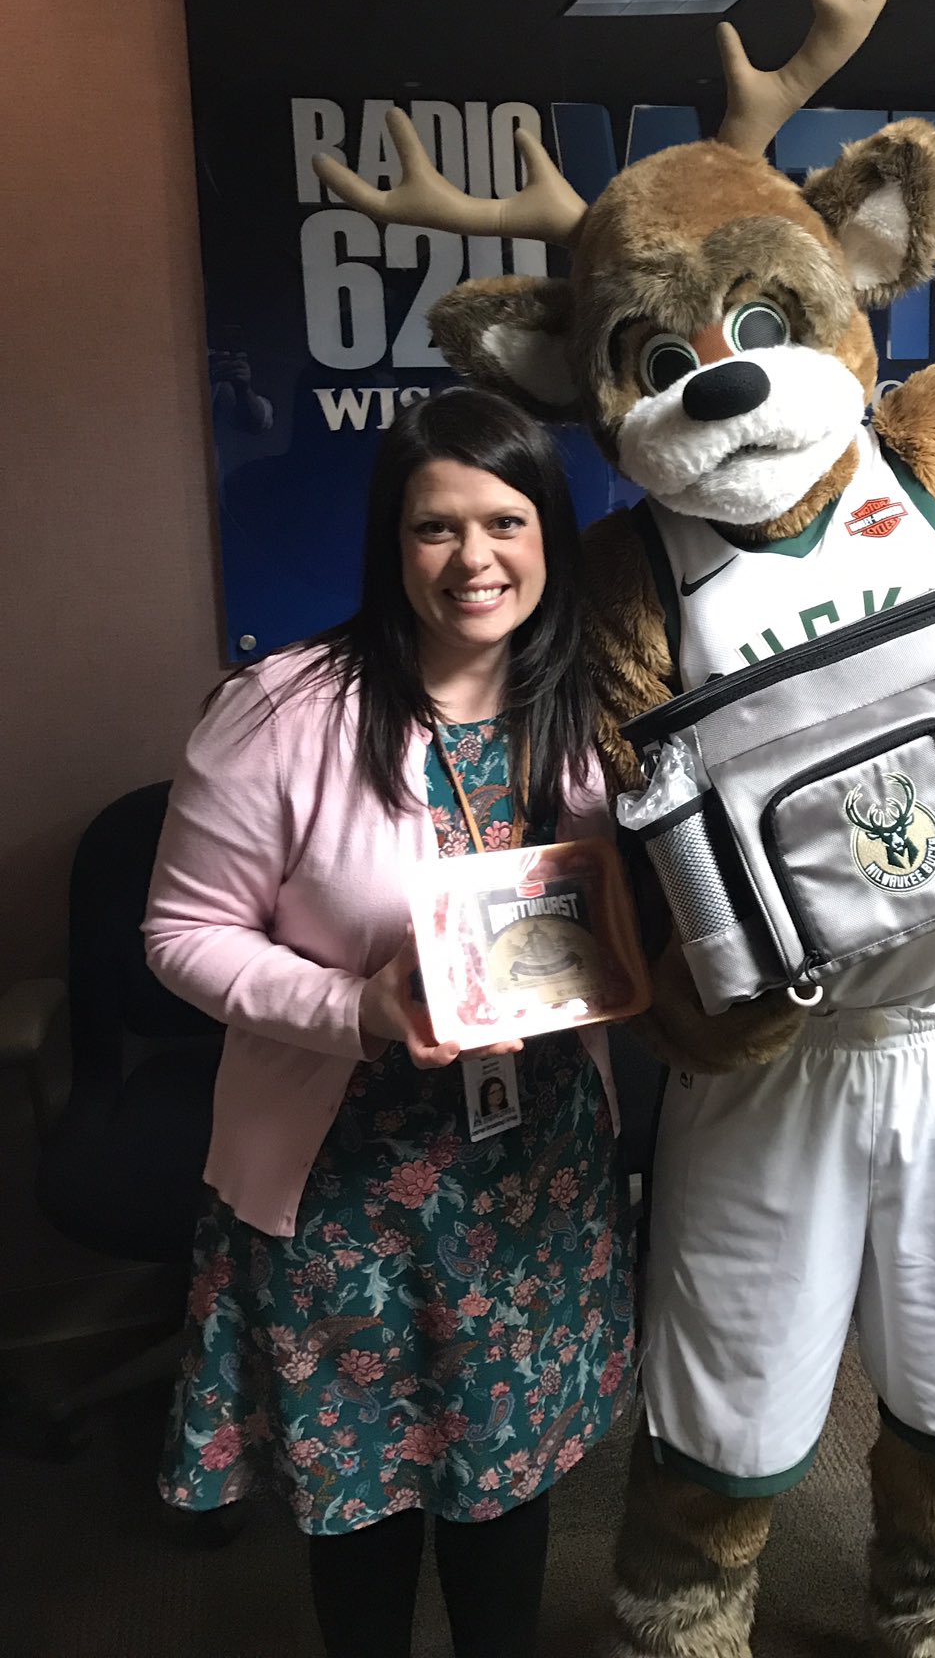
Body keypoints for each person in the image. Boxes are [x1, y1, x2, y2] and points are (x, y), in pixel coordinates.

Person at [145, 387, 633, 1658]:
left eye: (506, 520)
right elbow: (180, 933)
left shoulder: (590, 703)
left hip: (535, 1169)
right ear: (392, 543)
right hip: (347, 1181)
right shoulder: (282, 709)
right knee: (361, 1494)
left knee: (505, 1474)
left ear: (549, 534)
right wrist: (351, 1003)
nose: (475, 558)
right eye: (436, 526)